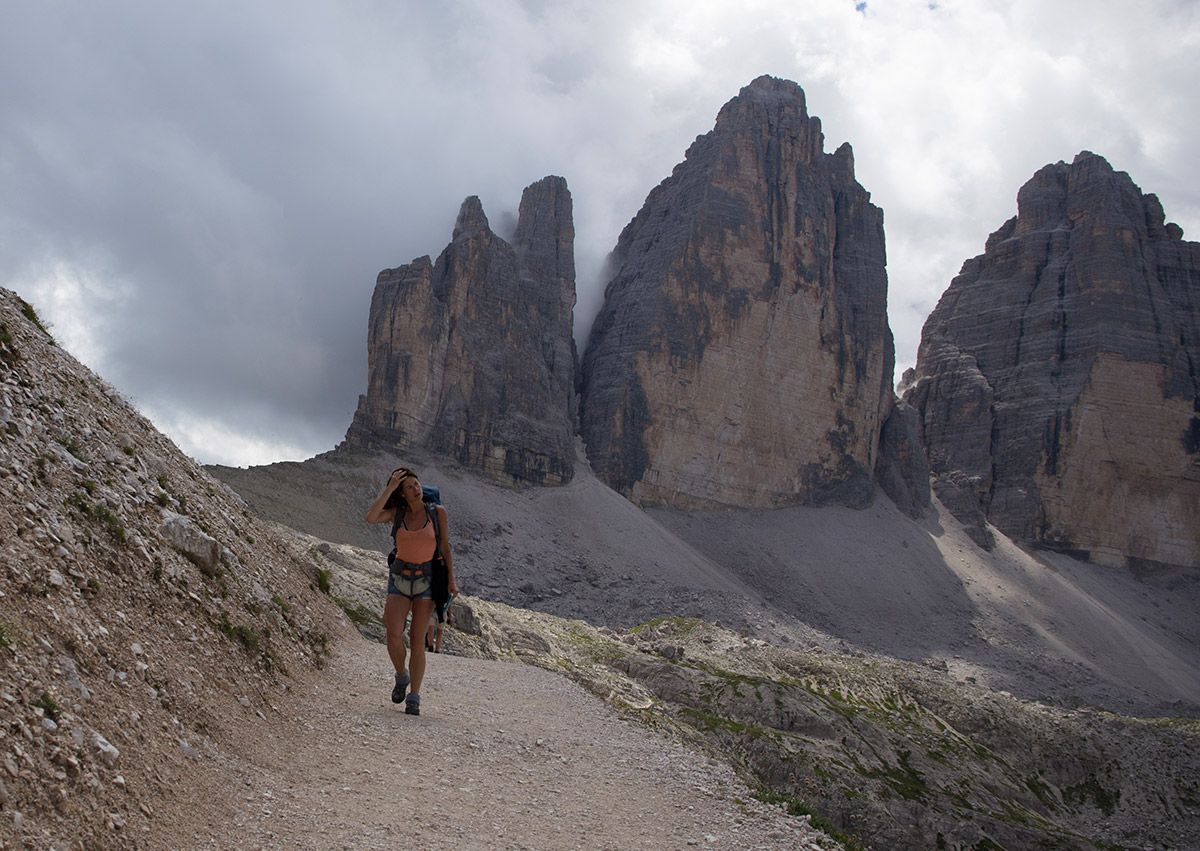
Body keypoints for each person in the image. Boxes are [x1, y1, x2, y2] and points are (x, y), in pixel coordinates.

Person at [366, 467, 458, 715]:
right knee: (393, 636)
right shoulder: (396, 513)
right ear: (402, 494)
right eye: (409, 487)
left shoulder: (437, 513)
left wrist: (451, 580)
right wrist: (389, 488)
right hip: (399, 579)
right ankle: (401, 675)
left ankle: (414, 696)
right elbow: (371, 518)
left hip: (426, 582)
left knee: (418, 641)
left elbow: (445, 547)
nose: (416, 489)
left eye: (416, 483)